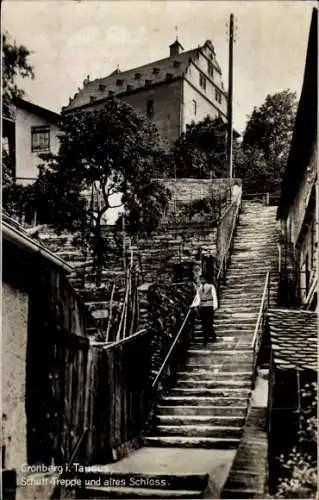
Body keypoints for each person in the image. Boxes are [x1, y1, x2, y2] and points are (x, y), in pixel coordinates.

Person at [191, 275, 218, 345]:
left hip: (209, 305)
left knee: (209, 321)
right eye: (201, 279)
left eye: (203, 279)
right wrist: (193, 305)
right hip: (202, 307)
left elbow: (214, 296)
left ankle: (210, 336)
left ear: (206, 279)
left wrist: (215, 306)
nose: (202, 280)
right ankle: (207, 337)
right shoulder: (199, 288)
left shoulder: (211, 286)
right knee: (204, 322)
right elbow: (198, 298)